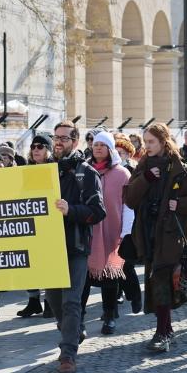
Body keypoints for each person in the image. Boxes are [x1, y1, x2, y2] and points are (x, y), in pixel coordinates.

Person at [125, 122, 187, 353]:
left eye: (151, 142)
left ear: (163, 142)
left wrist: (180, 204)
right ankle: (165, 330)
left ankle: (162, 332)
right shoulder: (143, 166)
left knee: (161, 280)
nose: (147, 146)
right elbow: (129, 199)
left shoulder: (179, 167)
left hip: (171, 235)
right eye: (145, 141)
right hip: (148, 233)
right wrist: (146, 178)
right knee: (158, 282)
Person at [46, 120, 106, 373]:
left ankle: (67, 354)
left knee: (71, 302)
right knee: (54, 301)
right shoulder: (42, 170)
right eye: (55, 137)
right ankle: (72, 329)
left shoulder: (86, 172)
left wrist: (71, 210)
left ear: (75, 141)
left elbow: (98, 211)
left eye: (64, 138)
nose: (58, 141)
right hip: (46, 247)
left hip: (75, 246)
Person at [81, 132, 132, 335]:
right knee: (82, 277)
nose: (98, 148)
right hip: (87, 231)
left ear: (110, 148)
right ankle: (79, 318)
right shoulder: (84, 170)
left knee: (110, 278)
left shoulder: (122, 174)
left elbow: (128, 206)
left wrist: (126, 231)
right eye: (96, 144)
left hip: (113, 230)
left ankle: (109, 316)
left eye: (103, 144)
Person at [17, 133, 54, 319]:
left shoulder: (55, 169)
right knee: (30, 265)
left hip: (49, 224)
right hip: (29, 223)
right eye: (33, 147)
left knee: (47, 264)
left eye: (40, 146)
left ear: (49, 149)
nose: (36, 150)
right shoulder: (26, 170)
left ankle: (50, 302)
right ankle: (33, 301)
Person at [114, 134, 142, 313]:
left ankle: (135, 295)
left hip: (129, 221)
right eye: (116, 151)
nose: (118, 154)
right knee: (114, 265)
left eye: (122, 152)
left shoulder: (131, 170)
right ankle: (115, 300)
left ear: (128, 154)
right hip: (112, 220)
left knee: (127, 264)